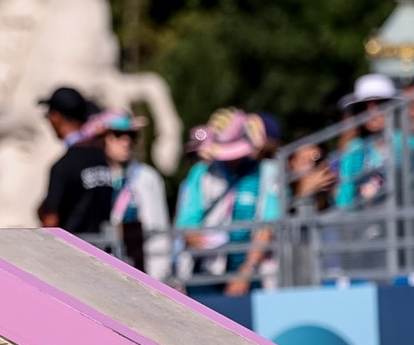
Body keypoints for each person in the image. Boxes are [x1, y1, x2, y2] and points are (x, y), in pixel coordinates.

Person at [174, 107, 279, 296]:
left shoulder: (266, 172)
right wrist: (199, 239)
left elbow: (267, 227)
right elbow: (186, 223)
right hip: (206, 274)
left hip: (252, 277)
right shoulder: (201, 173)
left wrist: (246, 272)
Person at [98, 111, 170, 278]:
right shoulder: (93, 175)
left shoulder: (146, 177)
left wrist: (157, 281)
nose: (126, 141)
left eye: (131, 135)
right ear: (103, 139)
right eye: (117, 135)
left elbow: (157, 232)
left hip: (138, 273)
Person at [333, 74, 414, 209]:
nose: (372, 113)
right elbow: (345, 198)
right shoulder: (354, 148)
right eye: (364, 107)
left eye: (380, 105)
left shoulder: (409, 143)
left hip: (403, 220)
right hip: (365, 223)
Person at [36, 86, 114, 234]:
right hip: (103, 251)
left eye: (47, 115)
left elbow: (50, 222)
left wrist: (41, 212)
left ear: (55, 116)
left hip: (73, 253)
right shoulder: (102, 158)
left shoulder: (63, 166)